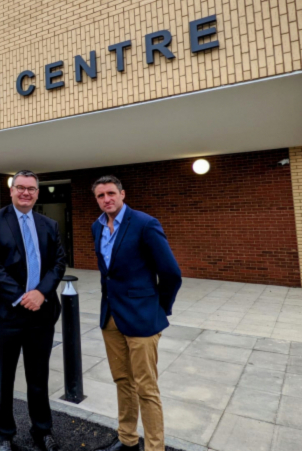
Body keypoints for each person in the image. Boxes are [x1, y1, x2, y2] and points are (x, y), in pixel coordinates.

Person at [0, 170, 67, 451]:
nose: (26, 193)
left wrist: (41, 293)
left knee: (38, 377)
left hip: (41, 312)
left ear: (38, 193)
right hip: (5, 313)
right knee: (4, 377)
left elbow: (59, 263)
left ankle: (42, 430)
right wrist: (20, 297)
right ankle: (5, 435)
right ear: (11, 190)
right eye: (20, 188)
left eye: (31, 189)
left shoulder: (48, 224)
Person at [90, 175, 182, 451]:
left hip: (142, 318)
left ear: (122, 194)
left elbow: (171, 273)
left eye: (111, 193)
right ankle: (127, 438)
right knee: (122, 381)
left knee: (146, 388)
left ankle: (155, 447)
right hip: (111, 318)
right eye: (100, 195)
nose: (106, 199)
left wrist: (158, 308)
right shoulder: (97, 226)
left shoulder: (144, 223)